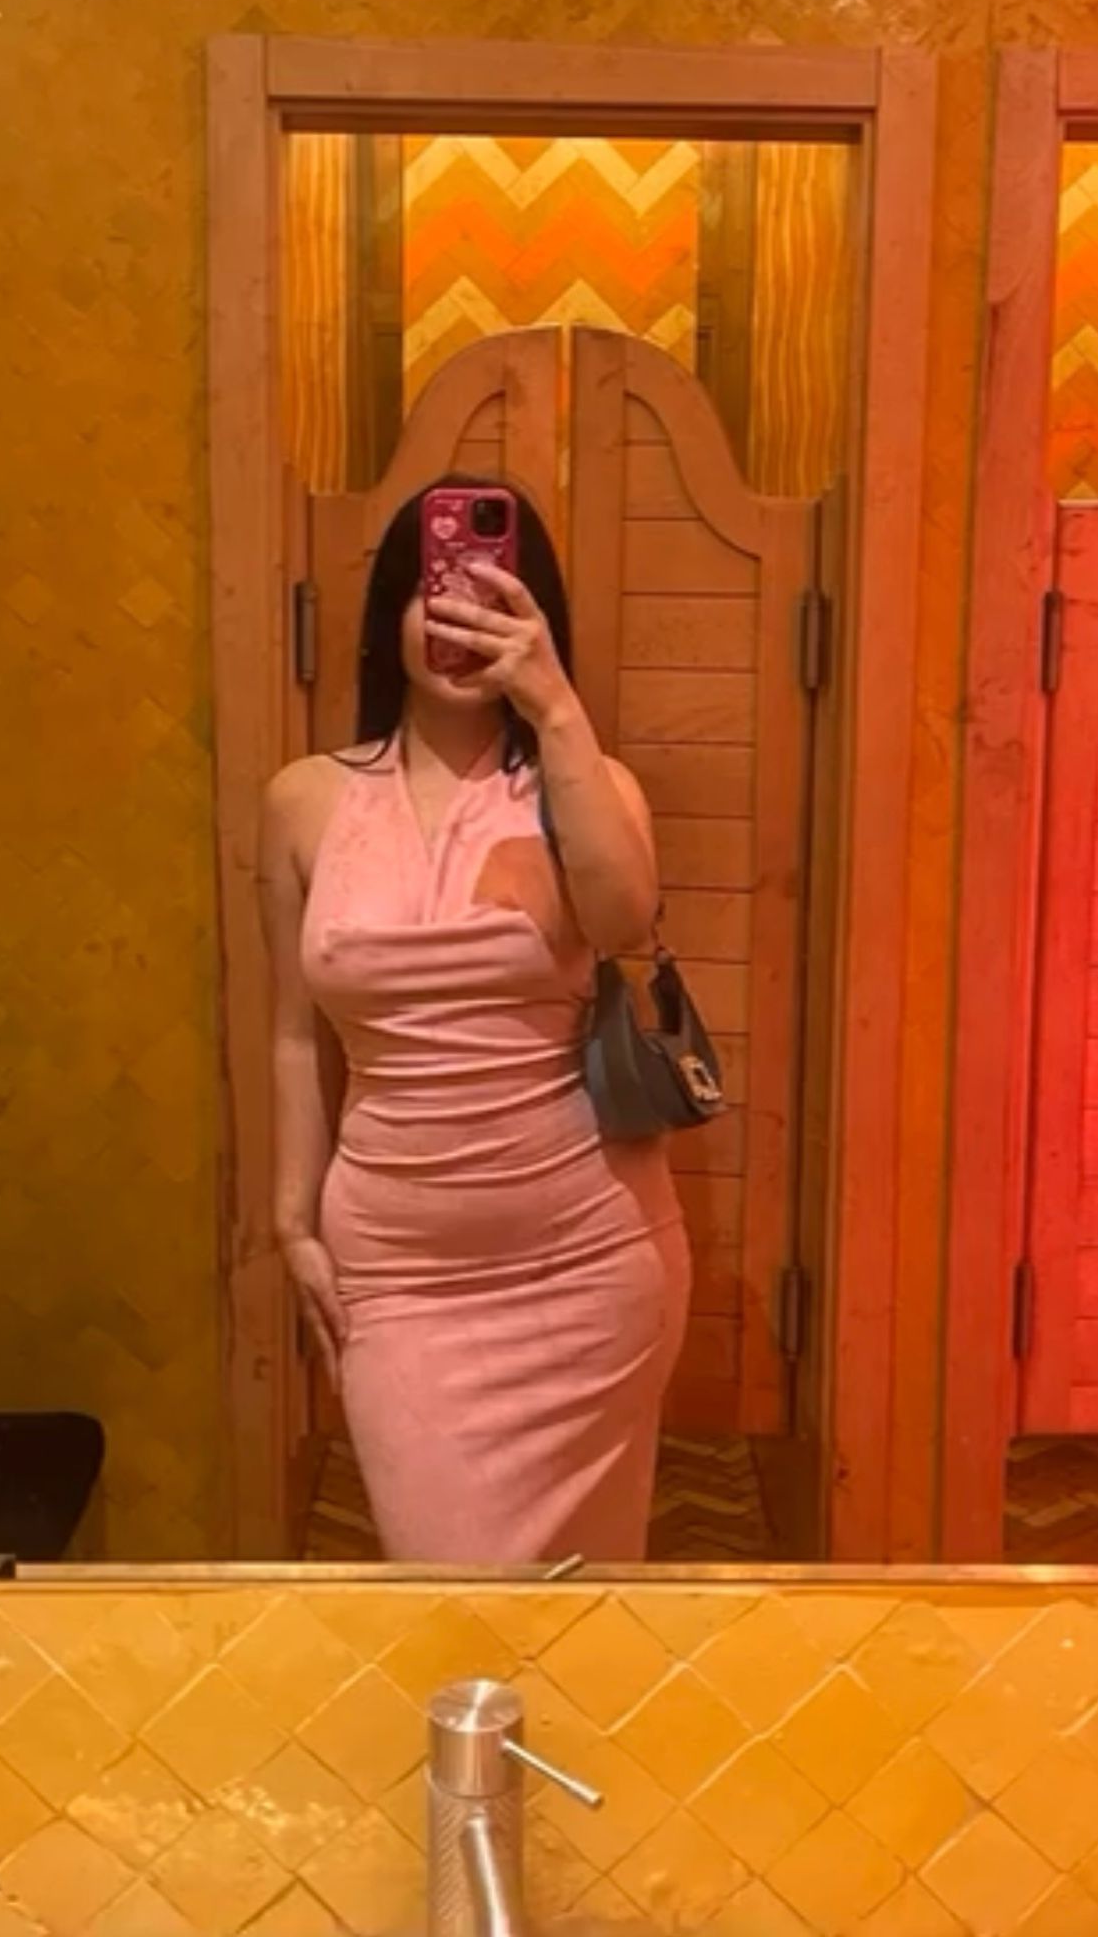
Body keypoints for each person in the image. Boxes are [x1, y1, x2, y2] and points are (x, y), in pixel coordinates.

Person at [259, 478, 690, 1564]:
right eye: (432, 590)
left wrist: (557, 712)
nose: (457, 618)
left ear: (536, 617)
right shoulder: (303, 800)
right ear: (387, 614)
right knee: (443, 1586)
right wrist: (291, 1222)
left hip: (588, 1263)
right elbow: (294, 1034)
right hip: (399, 1273)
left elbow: (623, 922)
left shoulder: (589, 783)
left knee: (585, 1592)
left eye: (493, 594)